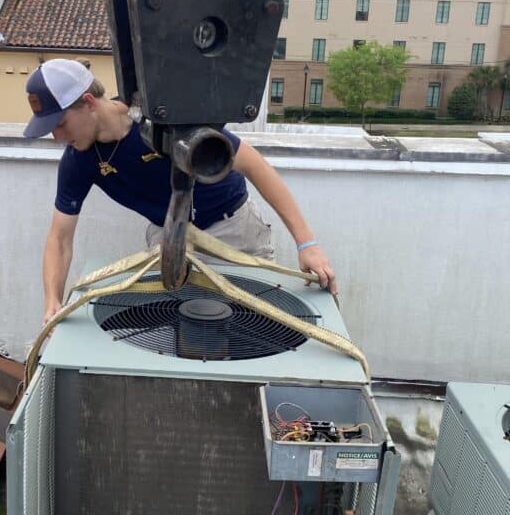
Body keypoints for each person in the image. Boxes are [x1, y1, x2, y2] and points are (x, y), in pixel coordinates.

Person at [23, 59, 337, 323]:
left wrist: (306, 243)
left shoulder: (162, 117)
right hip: (169, 237)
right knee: (179, 325)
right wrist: (52, 301)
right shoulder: (78, 160)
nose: (56, 137)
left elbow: (255, 165)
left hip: (232, 229)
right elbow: (59, 238)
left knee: (248, 322)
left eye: (60, 123)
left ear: (88, 103)